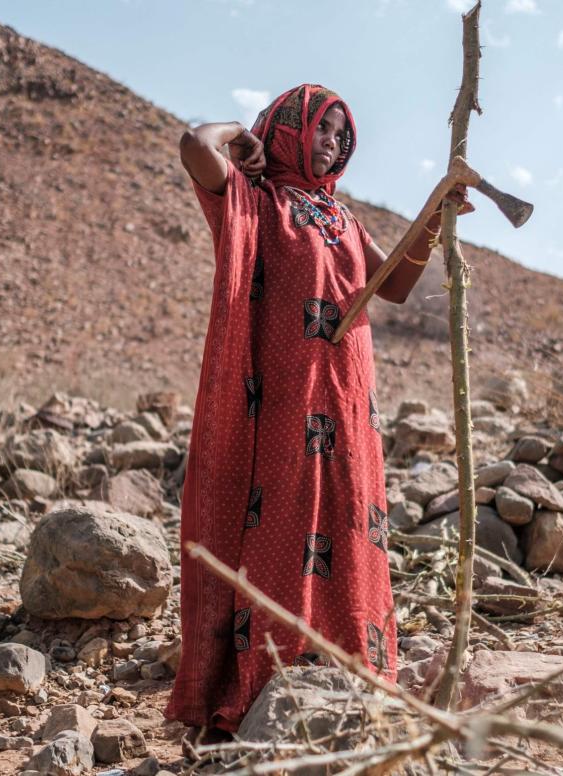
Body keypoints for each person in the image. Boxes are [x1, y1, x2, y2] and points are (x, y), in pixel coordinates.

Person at [166, 84, 472, 747]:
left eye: (341, 133)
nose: (333, 142)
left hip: (348, 398)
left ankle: (349, 669)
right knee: (282, 520)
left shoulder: (339, 216)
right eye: (321, 129)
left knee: (348, 518)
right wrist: (239, 137)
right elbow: (194, 144)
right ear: (285, 128)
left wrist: (435, 212)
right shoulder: (252, 202)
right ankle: (262, 682)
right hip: (283, 397)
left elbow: (390, 285)